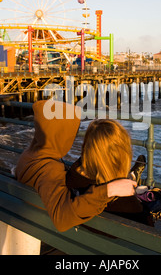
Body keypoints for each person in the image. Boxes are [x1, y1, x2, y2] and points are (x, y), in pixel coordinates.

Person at [15, 99, 136, 232]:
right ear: (60, 133)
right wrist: (109, 190)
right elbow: (62, 219)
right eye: (72, 131)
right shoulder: (49, 169)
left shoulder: (31, 155)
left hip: (33, 220)